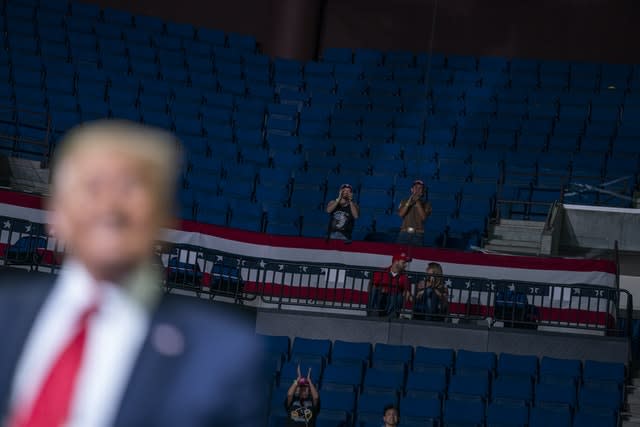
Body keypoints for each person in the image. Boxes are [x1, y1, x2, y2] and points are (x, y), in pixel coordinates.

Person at [0, 120, 265, 427]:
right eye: (92, 186)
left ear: (165, 221)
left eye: (131, 188)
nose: (111, 205)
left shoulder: (226, 355)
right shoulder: (4, 313)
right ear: (56, 213)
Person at [368, 253, 411, 317]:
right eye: (403, 263)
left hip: (393, 299)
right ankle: (373, 311)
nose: (405, 265)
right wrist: (380, 289)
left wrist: (407, 292)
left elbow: (407, 294)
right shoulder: (382, 272)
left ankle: (392, 315)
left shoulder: (405, 277)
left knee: (396, 294)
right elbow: (371, 286)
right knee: (375, 290)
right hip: (381, 298)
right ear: (396, 262)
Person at [396, 179, 432, 246]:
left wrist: (417, 202)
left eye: (420, 188)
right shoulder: (404, 201)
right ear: (411, 189)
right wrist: (408, 203)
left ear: (422, 191)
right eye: (415, 187)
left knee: (417, 255)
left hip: (418, 235)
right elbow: (401, 214)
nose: (417, 190)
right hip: (404, 233)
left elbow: (424, 218)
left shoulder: (427, 203)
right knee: (400, 254)